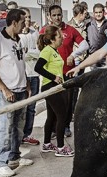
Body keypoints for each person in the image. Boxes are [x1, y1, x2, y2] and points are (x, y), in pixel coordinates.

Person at [0, 9, 34, 177]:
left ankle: (14, 156)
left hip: (21, 89)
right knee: (5, 128)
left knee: (18, 127)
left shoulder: (18, 39)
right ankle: (1, 162)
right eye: (22, 22)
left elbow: (20, 64)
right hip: (8, 93)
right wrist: (4, 89)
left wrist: (26, 83)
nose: (25, 24)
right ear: (14, 23)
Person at [40, 5, 88, 138]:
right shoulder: (45, 31)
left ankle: (65, 126)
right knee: (52, 106)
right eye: (54, 15)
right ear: (49, 16)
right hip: (51, 76)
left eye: (59, 14)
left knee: (67, 103)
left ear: (63, 15)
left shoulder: (70, 30)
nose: (57, 17)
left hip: (67, 73)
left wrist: (73, 55)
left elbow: (85, 44)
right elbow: (39, 49)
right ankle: (54, 130)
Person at [34, 25, 74, 157]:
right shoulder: (47, 51)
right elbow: (38, 67)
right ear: (52, 39)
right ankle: (61, 147)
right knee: (61, 116)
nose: (62, 38)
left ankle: (46, 144)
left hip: (54, 87)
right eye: (59, 36)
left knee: (51, 116)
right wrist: (54, 77)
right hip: (50, 87)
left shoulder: (54, 50)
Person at [19, 8, 41, 146]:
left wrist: (29, 53)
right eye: (25, 17)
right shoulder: (17, 36)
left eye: (29, 17)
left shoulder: (35, 33)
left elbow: (40, 52)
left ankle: (27, 134)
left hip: (34, 74)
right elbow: (20, 56)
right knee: (22, 108)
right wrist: (28, 54)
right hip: (23, 75)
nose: (27, 20)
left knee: (32, 107)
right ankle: (19, 135)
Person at [86, 3, 107, 67]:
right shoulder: (88, 25)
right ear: (93, 13)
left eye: (100, 12)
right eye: (96, 12)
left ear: (103, 12)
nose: (98, 14)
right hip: (93, 56)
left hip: (105, 57)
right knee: (93, 76)